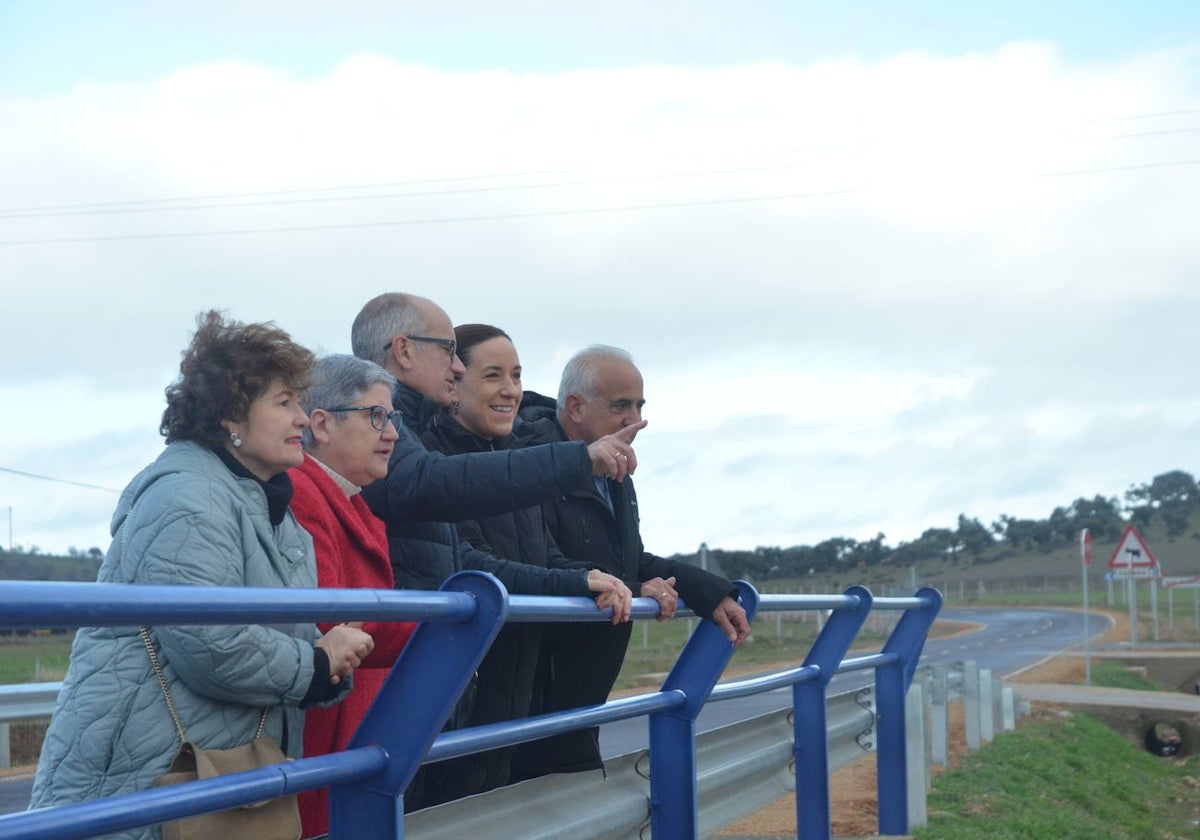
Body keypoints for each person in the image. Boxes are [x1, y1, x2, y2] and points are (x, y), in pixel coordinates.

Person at [29, 311, 373, 840]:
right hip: (145, 775)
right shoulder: (187, 494)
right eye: (284, 404)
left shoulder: (269, 505)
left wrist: (328, 657)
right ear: (230, 416)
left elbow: (281, 633)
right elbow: (209, 643)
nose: (303, 419)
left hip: (213, 772)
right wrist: (316, 662)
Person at [350, 293, 635, 809]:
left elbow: (470, 557)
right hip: (416, 693)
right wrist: (577, 461)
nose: (456, 367)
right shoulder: (411, 445)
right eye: (449, 352)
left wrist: (606, 582)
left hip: (467, 698)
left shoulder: (420, 437)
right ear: (404, 351)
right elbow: (436, 501)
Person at [511, 345, 753, 780]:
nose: (634, 419)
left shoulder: (613, 466)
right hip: (534, 687)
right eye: (620, 406)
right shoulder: (530, 463)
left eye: (640, 405)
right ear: (575, 407)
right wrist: (625, 584)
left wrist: (707, 592)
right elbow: (539, 557)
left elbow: (627, 558)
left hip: (581, 689)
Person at [418, 324, 621, 802]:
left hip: (515, 695)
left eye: (516, 374)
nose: (511, 390)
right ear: (454, 383)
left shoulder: (517, 461)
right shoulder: (432, 465)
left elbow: (541, 552)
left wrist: (607, 579)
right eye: (493, 376)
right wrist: (572, 580)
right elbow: (467, 567)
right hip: (456, 700)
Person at [290, 355, 418, 838]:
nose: (392, 434)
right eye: (376, 416)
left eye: (393, 419)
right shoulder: (303, 491)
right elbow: (332, 612)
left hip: (352, 732)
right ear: (321, 423)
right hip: (328, 734)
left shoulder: (345, 497)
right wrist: (436, 627)